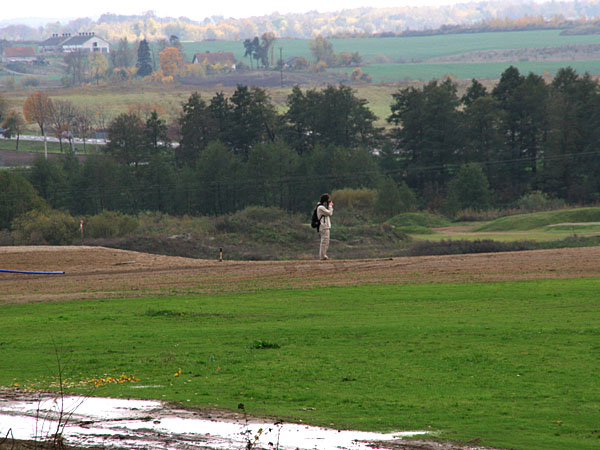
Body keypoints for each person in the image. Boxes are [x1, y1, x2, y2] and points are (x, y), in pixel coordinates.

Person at [317, 193, 334, 260]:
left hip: (325, 226)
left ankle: (323, 256)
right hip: (324, 227)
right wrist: (330, 206)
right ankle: (322, 256)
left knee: (325, 242)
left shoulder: (321, 207)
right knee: (324, 242)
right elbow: (330, 213)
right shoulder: (320, 207)